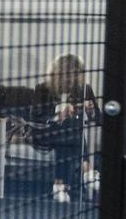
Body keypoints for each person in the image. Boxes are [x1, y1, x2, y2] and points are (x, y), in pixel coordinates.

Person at [32, 54, 97, 203]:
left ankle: (59, 185)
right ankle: (87, 169)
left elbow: (98, 117)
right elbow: (35, 118)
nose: (71, 78)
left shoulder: (85, 90)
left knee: (70, 128)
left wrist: (91, 111)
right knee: (68, 127)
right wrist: (58, 115)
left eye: (75, 73)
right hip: (45, 134)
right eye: (67, 73)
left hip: (69, 137)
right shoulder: (42, 89)